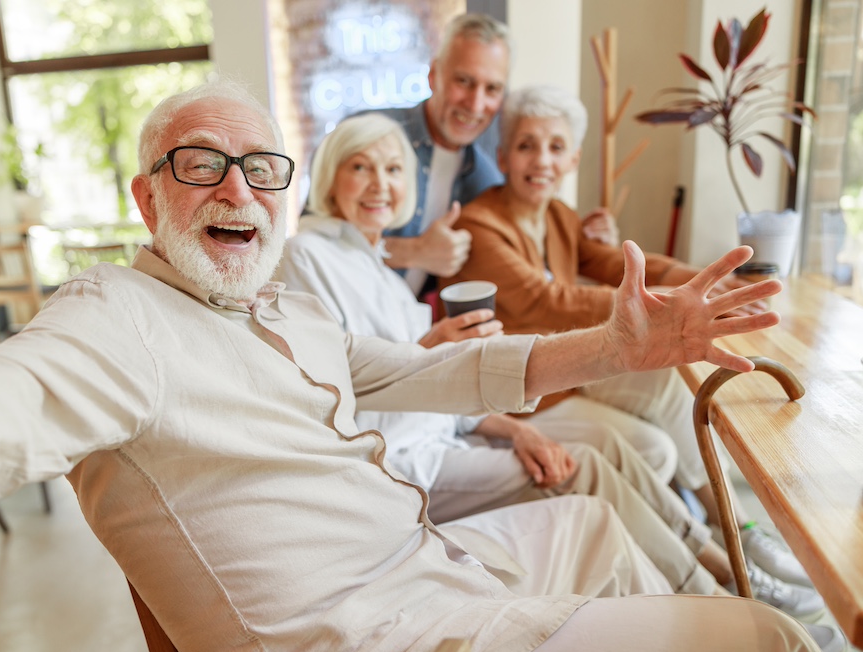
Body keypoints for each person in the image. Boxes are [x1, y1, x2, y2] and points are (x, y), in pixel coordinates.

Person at [0, 80, 836, 652]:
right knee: (767, 642)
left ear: (286, 195)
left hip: (426, 571)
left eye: (259, 167)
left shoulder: (282, 305)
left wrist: (617, 349)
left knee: (586, 518)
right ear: (145, 195)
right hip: (375, 645)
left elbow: (435, 374)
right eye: (200, 164)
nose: (237, 187)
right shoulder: (118, 318)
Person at [278, 112, 749, 600]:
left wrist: (514, 428)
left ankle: (722, 559)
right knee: (579, 466)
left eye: (394, 170)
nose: (380, 184)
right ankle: (716, 594)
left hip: (447, 438)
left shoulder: (383, 274)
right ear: (331, 176)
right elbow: (329, 391)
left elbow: (437, 394)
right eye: (360, 167)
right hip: (399, 464)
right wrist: (426, 353)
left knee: (607, 442)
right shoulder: (307, 256)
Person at [439, 84, 820, 598]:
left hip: (573, 372)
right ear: (503, 155)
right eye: (527, 145)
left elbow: (613, 264)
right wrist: (667, 303)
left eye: (556, 147)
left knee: (672, 386)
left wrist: (703, 280)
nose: (541, 159)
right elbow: (554, 300)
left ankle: (737, 529)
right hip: (530, 389)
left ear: (573, 156)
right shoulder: (482, 228)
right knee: (654, 446)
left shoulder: (556, 216)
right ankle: (719, 557)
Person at [372, 13, 617, 290]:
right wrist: (413, 251)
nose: (476, 104)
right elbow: (313, 238)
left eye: (492, 88)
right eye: (463, 81)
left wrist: (586, 238)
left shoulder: (483, 177)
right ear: (433, 75)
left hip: (409, 328)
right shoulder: (372, 135)